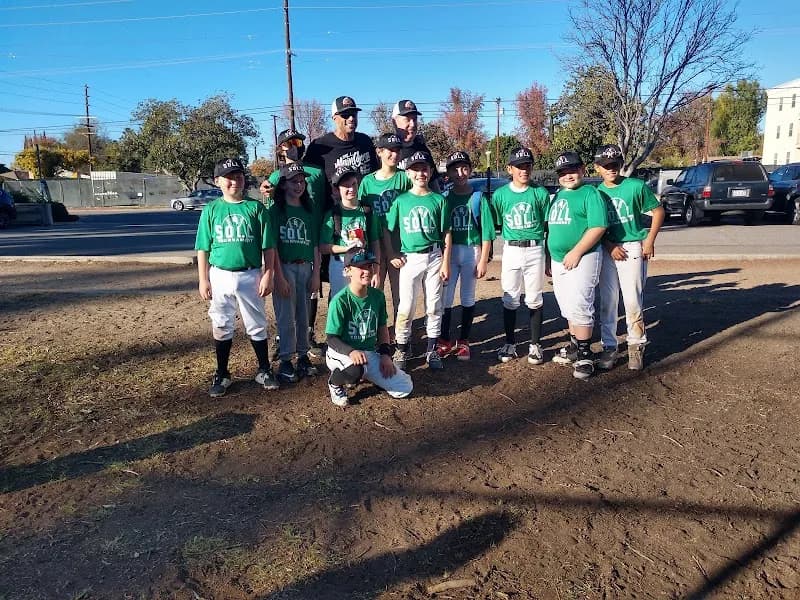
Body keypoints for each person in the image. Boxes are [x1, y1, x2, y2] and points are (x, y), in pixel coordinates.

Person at [195, 157, 278, 397]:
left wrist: (268, 273)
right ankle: (222, 373)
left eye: (238, 176)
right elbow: (203, 248)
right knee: (221, 323)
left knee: (256, 322)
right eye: (229, 177)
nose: (234, 181)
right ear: (218, 181)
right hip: (220, 273)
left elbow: (268, 247)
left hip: (250, 273)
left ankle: (264, 369)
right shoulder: (212, 210)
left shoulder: (255, 208)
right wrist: (203, 279)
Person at [594, 144, 665, 370]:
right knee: (608, 301)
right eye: (605, 165)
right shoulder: (597, 193)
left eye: (614, 164)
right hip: (607, 249)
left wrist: (650, 240)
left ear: (621, 164)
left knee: (632, 299)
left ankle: (636, 344)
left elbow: (658, 211)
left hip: (633, 246)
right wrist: (608, 244)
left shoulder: (635, 186)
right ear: (597, 168)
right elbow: (593, 225)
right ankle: (609, 346)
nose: (611, 169)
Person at [483, 147, 551, 365]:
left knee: (534, 297)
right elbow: (493, 223)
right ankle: (510, 343)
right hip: (511, 248)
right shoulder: (501, 195)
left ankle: (535, 344)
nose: (524, 170)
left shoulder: (539, 193)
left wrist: (548, 256)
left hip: (534, 248)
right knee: (510, 297)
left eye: (528, 165)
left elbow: (547, 226)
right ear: (509, 168)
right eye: (519, 166)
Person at [385, 150, 452, 371]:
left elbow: (446, 233)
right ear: (408, 173)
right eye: (415, 169)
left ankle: (431, 349)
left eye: (424, 169)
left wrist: (445, 261)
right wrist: (392, 254)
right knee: (406, 305)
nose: (420, 173)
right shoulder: (401, 200)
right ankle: (402, 349)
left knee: (434, 304)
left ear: (430, 171)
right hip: (410, 257)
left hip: (433, 255)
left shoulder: (438, 200)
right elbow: (388, 229)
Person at [547, 151, 608, 380]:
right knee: (568, 305)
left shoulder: (589, 193)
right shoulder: (559, 195)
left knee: (581, 303)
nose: (568, 175)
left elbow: (598, 226)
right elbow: (552, 229)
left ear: (582, 170)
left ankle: (585, 354)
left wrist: (577, 251)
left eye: (572, 170)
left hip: (583, 256)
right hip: (559, 259)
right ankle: (574, 346)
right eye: (563, 172)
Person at [325, 249, 413, 407]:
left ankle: (365, 374)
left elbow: (382, 328)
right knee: (354, 371)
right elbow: (331, 338)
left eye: (369, 266)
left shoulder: (377, 296)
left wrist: (385, 355)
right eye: (361, 267)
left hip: (367, 353)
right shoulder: (340, 301)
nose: (367, 271)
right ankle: (335, 383)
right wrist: (351, 351)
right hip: (342, 352)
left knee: (404, 387)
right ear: (348, 271)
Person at [268, 128, 328, 358]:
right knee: (286, 305)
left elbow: (323, 205)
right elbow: (270, 215)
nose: (294, 146)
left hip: (311, 241)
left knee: (310, 293)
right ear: (281, 148)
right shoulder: (276, 177)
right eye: (288, 142)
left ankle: (307, 340)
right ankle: (283, 343)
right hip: (286, 248)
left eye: (298, 141)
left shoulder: (316, 172)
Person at [437, 151, 494, 360]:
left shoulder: (478, 197)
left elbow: (487, 232)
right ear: (449, 172)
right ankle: (444, 340)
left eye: (464, 168)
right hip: (451, 252)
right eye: (454, 169)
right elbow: (442, 231)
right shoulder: (444, 198)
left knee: (468, 296)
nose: (460, 173)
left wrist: (483, 259)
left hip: (471, 250)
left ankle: (464, 341)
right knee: (446, 298)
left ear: (469, 169)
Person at [268, 162, 322, 384]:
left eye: (302, 181)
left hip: (305, 267)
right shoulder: (275, 211)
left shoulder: (309, 211)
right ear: (283, 185)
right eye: (293, 181)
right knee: (286, 317)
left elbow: (316, 246)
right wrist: (278, 276)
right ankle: (286, 359)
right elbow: (272, 247)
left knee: (303, 316)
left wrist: (316, 273)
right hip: (285, 266)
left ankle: (302, 356)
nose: (299, 185)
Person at [357, 132, 412, 334]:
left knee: (402, 295)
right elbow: (360, 215)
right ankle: (375, 335)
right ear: (379, 152)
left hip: (399, 244)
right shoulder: (367, 182)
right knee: (373, 291)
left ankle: (401, 338)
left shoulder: (404, 178)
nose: (394, 154)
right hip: (374, 245)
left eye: (398, 150)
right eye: (389, 149)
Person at [321, 165, 382, 297]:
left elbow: (375, 241)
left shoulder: (368, 211)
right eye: (346, 186)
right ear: (336, 190)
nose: (351, 189)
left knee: (362, 301)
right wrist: (346, 248)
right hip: (340, 263)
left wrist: (376, 270)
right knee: (341, 300)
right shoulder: (333, 213)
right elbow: (323, 247)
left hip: (364, 262)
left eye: (354, 184)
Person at [304, 96, 379, 185]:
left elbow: (376, 173)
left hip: (366, 198)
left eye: (354, 114)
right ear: (334, 118)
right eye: (345, 115)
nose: (351, 118)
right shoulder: (319, 146)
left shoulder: (365, 141)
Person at [391, 99, 440, 191]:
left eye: (414, 119)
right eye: (407, 119)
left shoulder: (422, 148)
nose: (412, 124)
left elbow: (433, 183)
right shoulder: (387, 150)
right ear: (394, 122)